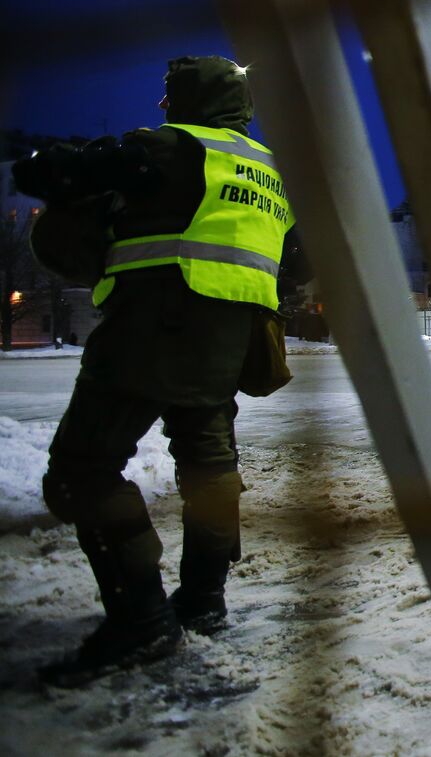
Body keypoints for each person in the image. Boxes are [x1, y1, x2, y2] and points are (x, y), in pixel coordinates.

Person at [14, 56, 294, 687]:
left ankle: (140, 619)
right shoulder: (273, 171)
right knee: (210, 467)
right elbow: (298, 263)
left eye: (169, 98)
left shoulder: (165, 148)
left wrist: (41, 168)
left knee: (81, 472)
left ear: (184, 100)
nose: (163, 108)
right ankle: (203, 599)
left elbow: (58, 174)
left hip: (153, 326)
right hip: (233, 341)